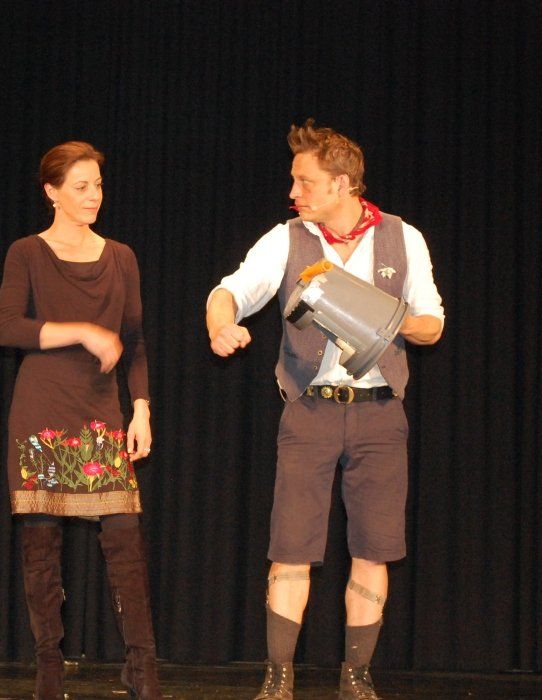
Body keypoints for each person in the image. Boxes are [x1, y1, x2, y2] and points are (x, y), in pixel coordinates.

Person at [206, 120, 444, 699]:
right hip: (310, 411)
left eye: (305, 181)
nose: (294, 192)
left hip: (379, 413)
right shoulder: (286, 238)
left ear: (342, 183)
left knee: (374, 547)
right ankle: (278, 679)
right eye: (294, 180)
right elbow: (230, 290)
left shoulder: (402, 238)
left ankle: (356, 678)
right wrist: (220, 325)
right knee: (291, 546)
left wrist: (381, 318)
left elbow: (432, 324)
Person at [0, 141, 161, 699]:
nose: (94, 196)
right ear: (52, 192)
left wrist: (141, 408)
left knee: (125, 540)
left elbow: (135, 341)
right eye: (81, 187)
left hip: (99, 413)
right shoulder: (27, 252)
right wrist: (83, 331)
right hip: (42, 411)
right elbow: (7, 327)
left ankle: (142, 667)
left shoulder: (121, 257)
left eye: (98, 186)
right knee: (41, 545)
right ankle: (49, 667)